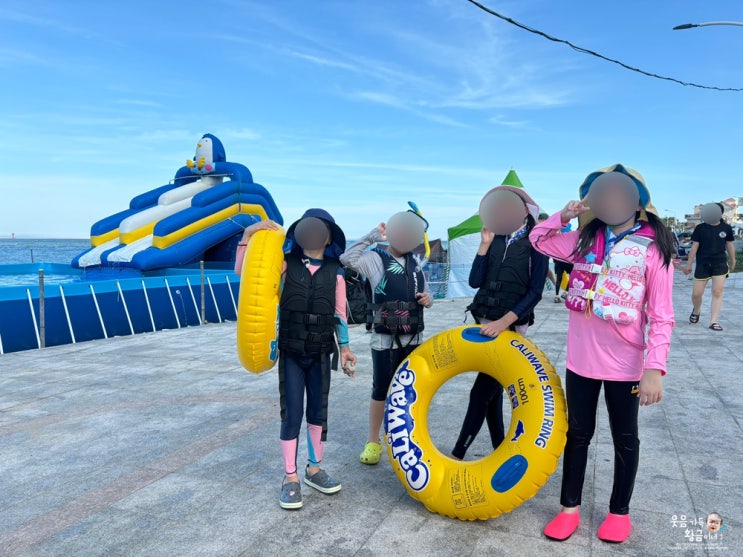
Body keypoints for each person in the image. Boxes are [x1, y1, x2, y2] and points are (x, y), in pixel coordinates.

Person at [530, 164, 675, 543]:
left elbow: (662, 315)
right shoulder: (581, 239)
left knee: (625, 437)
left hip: (626, 366)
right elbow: (538, 240)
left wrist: (655, 367)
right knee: (577, 434)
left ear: (638, 202)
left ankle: (619, 512)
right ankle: (569, 508)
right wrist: (563, 216)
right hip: (581, 361)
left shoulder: (653, 249)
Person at [235, 209, 358, 510]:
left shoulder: (336, 271)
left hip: (320, 352)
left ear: (328, 237)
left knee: (318, 412)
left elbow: (339, 313)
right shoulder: (284, 263)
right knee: (291, 414)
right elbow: (244, 273)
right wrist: (246, 236)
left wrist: (344, 349)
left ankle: (314, 470)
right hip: (291, 351)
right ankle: (290, 477)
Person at [451, 183, 548, 460]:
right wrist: (483, 245)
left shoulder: (537, 244)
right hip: (483, 325)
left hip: (509, 330)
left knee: (480, 394)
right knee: (491, 396)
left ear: (524, 211)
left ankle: (457, 454)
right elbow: (474, 281)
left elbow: (535, 292)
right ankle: (499, 449)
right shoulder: (494, 238)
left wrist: (503, 323)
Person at [340, 208, 433, 465]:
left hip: (413, 338)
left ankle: (407, 436)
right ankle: (373, 440)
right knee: (381, 389)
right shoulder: (374, 259)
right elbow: (347, 258)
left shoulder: (416, 263)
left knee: (410, 390)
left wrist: (428, 299)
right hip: (384, 339)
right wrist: (373, 236)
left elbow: (427, 293)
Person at [679, 203, 736, 331]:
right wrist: (689, 264)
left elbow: (729, 245)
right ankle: (696, 310)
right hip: (702, 264)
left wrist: (733, 260)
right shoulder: (700, 228)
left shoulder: (726, 228)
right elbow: (694, 247)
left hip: (719, 263)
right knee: (696, 294)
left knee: (717, 292)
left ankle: (713, 321)